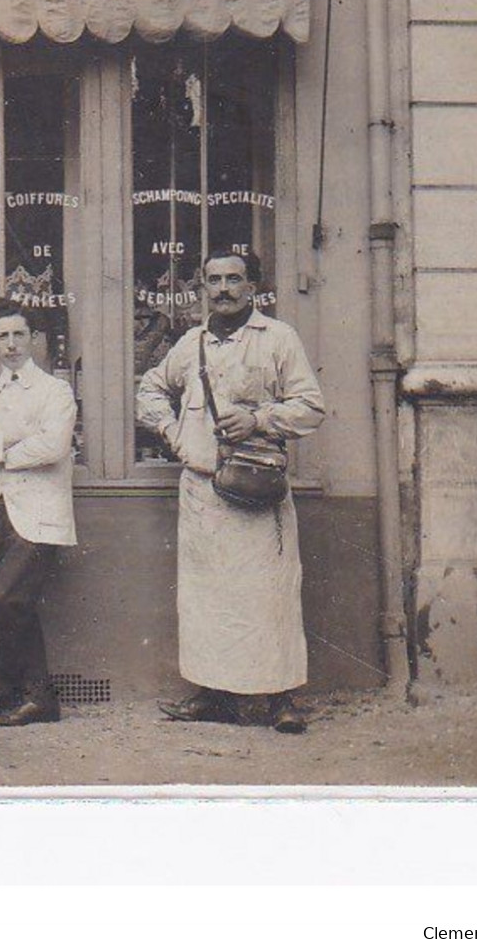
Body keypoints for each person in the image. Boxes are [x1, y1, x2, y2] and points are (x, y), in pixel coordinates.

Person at [136, 249, 326, 734]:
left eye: (234, 279)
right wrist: (172, 432)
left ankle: (281, 699)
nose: (222, 289)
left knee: (270, 594)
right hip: (202, 490)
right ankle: (212, 695)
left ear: (253, 286)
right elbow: (149, 391)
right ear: (202, 287)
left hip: (257, 488)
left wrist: (260, 418)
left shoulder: (278, 338)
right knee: (207, 598)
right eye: (213, 280)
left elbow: (310, 407)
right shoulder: (189, 343)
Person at [0, 298, 77, 727]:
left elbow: (53, 446)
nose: (11, 344)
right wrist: (12, 441)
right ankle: (7, 691)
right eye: (2, 337)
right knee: (5, 605)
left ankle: (38, 696)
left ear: (34, 338)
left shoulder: (55, 391)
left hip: (39, 514)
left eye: (18, 334)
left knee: (8, 598)